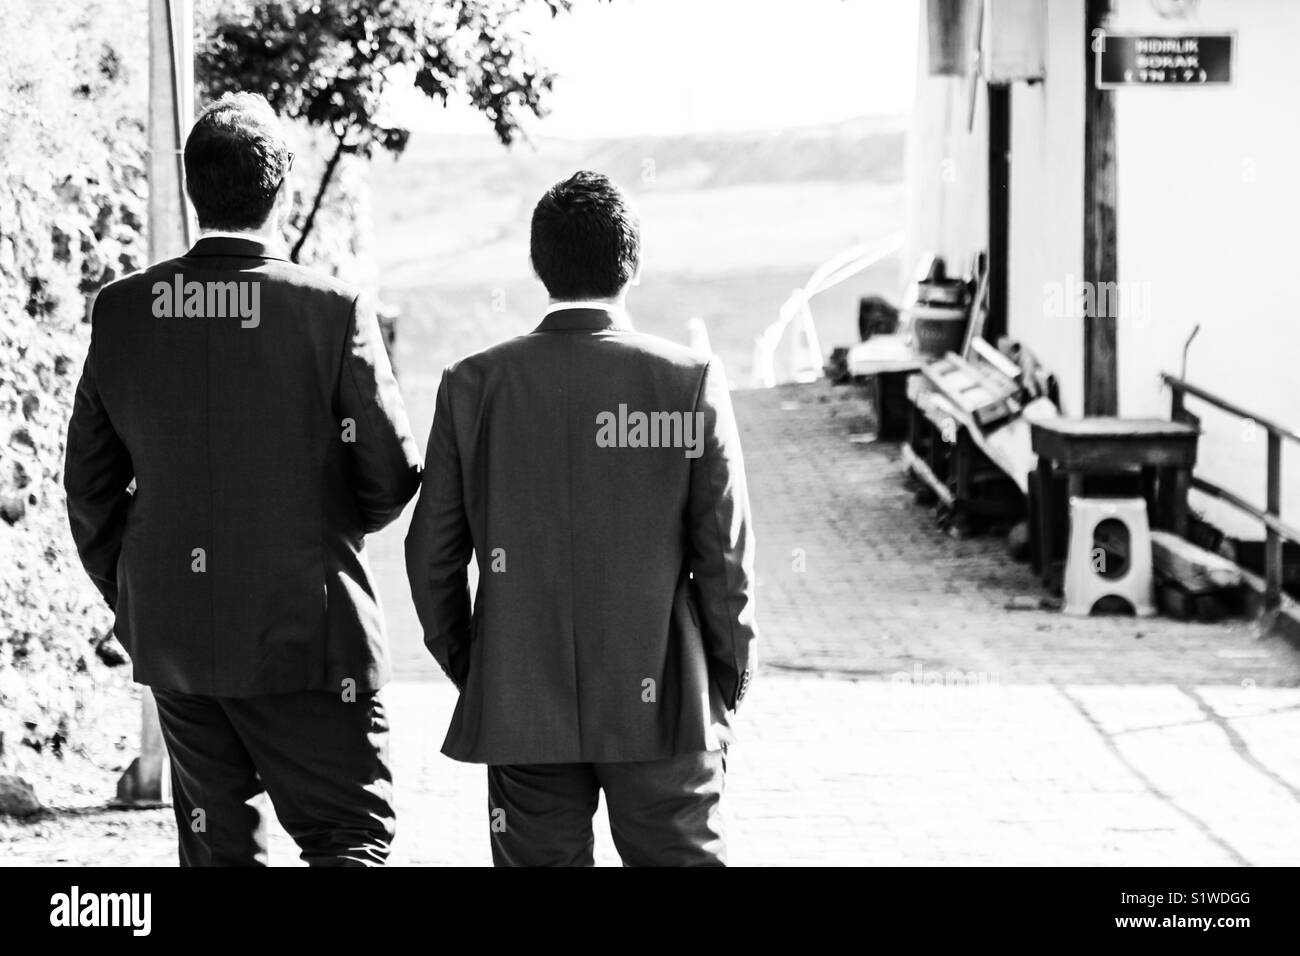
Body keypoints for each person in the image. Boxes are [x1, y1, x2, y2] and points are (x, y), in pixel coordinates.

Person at [64, 93, 421, 866]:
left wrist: (136, 582)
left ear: (193, 185)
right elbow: (390, 474)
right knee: (349, 838)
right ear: (283, 183)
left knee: (218, 850)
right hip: (309, 630)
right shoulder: (329, 310)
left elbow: (89, 484)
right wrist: (322, 534)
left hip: (178, 634)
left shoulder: (122, 311)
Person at [405, 170, 758, 866]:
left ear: (539, 265)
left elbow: (431, 556)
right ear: (633, 261)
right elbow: (725, 560)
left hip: (522, 702)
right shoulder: (687, 380)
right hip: (664, 707)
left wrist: (480, 669)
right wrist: (724, 680)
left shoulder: (472, 385)